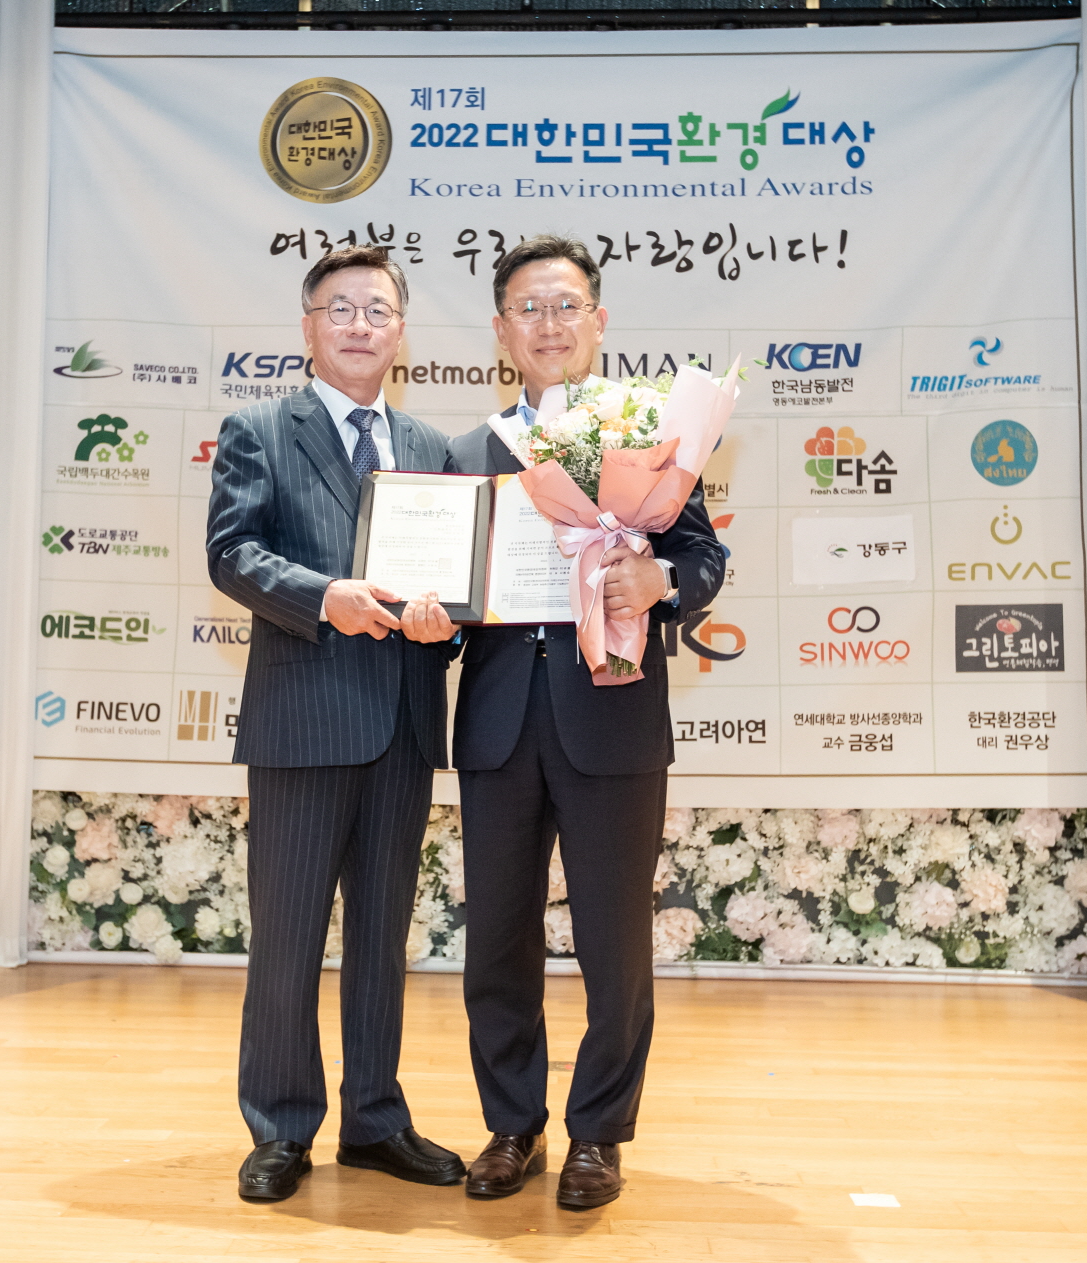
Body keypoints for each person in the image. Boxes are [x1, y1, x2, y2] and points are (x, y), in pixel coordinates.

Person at [442, 235, 725, 1210]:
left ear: (598, 321)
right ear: (500, 330)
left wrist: (660, 579)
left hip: (611, 716)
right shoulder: (470, 452)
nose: (548, 323)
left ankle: (599, 1133)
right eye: (528, 308)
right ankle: (510, 1124)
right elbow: (450, 591)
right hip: (496, 724)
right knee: (496, 940)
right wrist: (429, 611)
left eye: (565, 305)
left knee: (614, 941)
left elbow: (703, 560)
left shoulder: (648, 433)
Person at [206, 245, 464, 1202]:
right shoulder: (259, 429)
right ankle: (280, 1125)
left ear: (401, 330)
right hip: (302, 721)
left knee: (382, 937)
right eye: (341, 308)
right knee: (287, 935)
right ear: (308, 326)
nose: (360, 324)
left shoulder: (432, 445)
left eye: (378, 310)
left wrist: (446, 625)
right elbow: (232, 553)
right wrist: (325, 596)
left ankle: (375, 1120)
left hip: (402, 722)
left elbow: (454, 589)